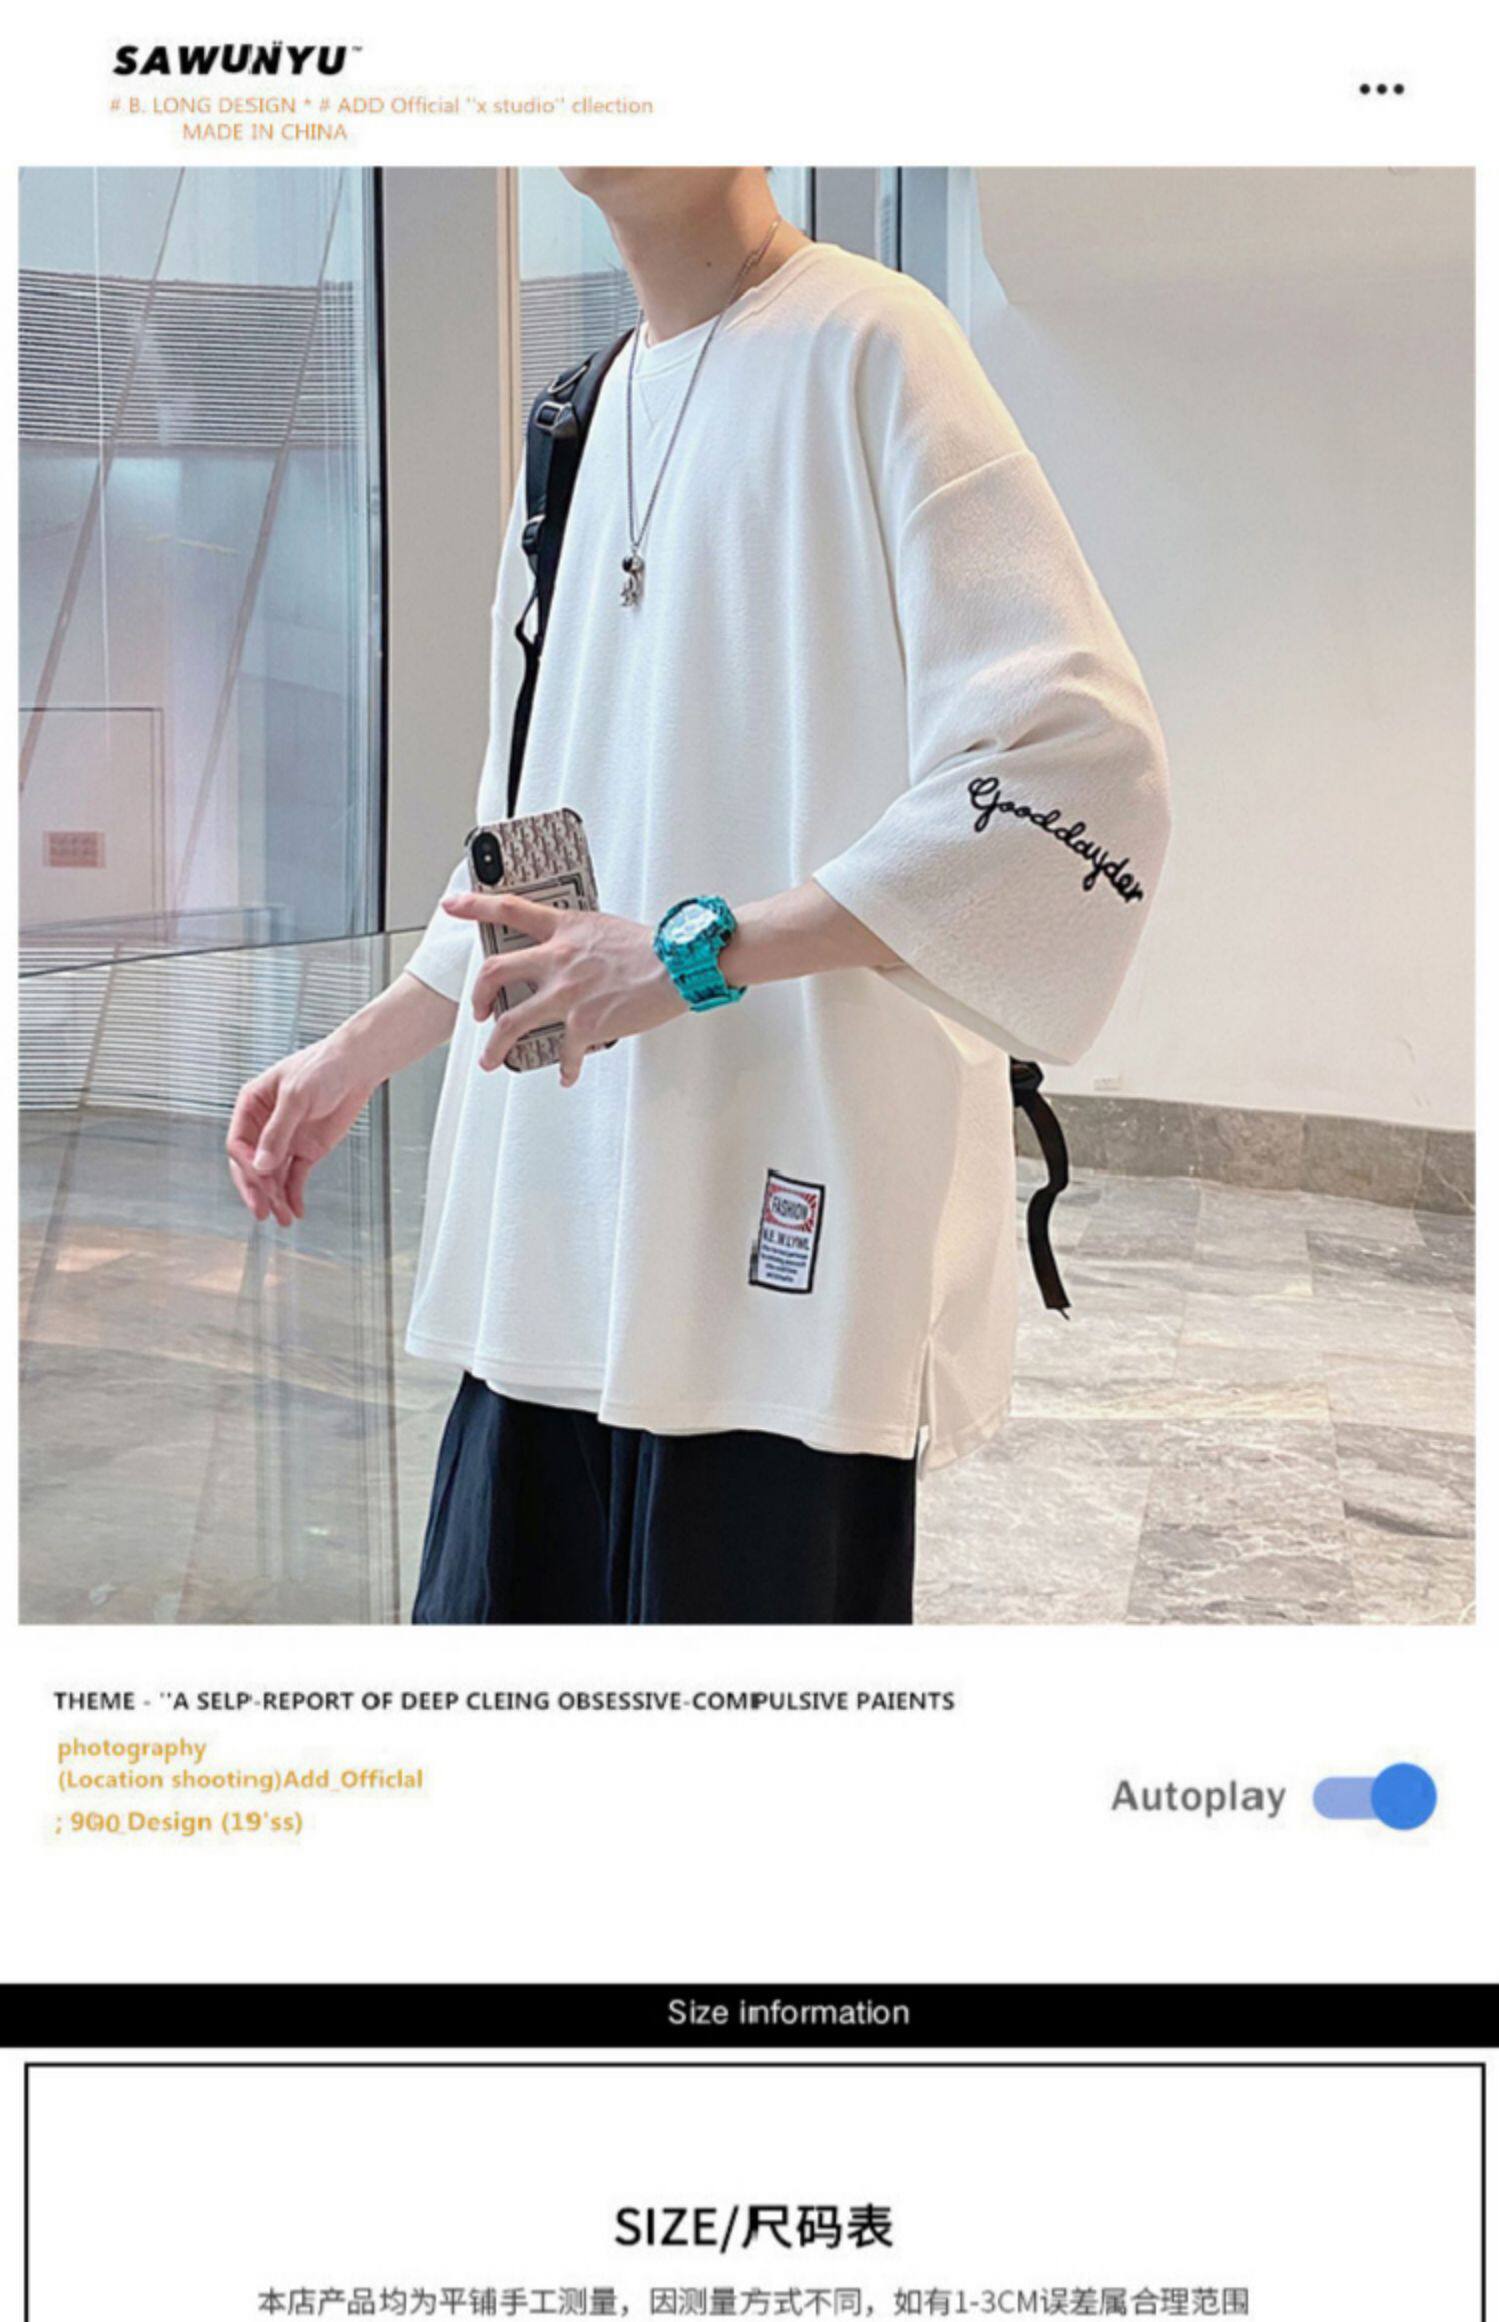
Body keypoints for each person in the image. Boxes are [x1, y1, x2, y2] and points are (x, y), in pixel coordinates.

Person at [226, 166, 1170, 1626]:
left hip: (785, 1248)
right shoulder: (573, 421)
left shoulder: (877, 347)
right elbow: (522, 831)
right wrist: (361, 1048)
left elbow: (1075, 765)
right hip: (555, 1233)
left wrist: (689, 958)